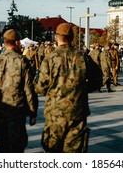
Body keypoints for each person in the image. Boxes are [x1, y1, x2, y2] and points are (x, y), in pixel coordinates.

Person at [35, 23, 90, 153]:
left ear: (56, 37)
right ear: (72, 37)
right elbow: (98, 79)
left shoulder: (49, 59)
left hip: (55, 112)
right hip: (77, 111)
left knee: (53, 151)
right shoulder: (82, 56)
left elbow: (40, 87)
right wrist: (81, 89)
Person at [0, 29, 38, 153]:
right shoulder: (22, 61)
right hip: (16, 113)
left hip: (0, 111)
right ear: (16, 43)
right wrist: (33, 112)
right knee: (16, 148)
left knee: (3, 146)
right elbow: (29, 89)